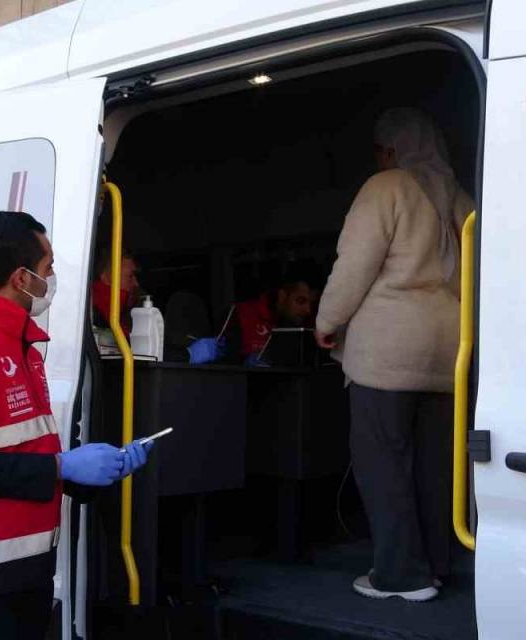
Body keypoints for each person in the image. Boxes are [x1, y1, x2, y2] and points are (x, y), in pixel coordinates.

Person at [0, 211, 153, 640]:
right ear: (20, 278)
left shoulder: (21, 345)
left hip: (22, 573)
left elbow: (25, 452)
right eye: (47, 267)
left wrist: (90, 472)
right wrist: (62, 467)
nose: (51, 278)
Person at [315, 107, 475, 601]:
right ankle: (436, 566)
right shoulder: (461, 198)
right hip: (449, 350)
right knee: (435, 467)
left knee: (383, 464)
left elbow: (355, 264)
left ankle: (401, 575)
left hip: (387, 349)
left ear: (391, 149)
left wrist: (327, 321)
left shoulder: (386, 187)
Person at [186, 266, 321, 365]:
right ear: (282, 296)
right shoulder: (240, 314)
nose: (308, 310)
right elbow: (221, 361)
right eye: (301, 301)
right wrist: (246, 364)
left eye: (312, 303)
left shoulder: (312, 324)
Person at [92, 250, 140, 333]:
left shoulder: (120, 315)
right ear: (105, 277)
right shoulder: (96, 318)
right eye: (130, 276)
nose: (136, 284)